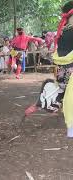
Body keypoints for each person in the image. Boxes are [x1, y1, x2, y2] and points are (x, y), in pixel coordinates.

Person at [25, 1, 73, 138]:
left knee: (61, 91)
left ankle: (38, 104)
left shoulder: (63, 31)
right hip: (69, 74)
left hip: (63, 74)